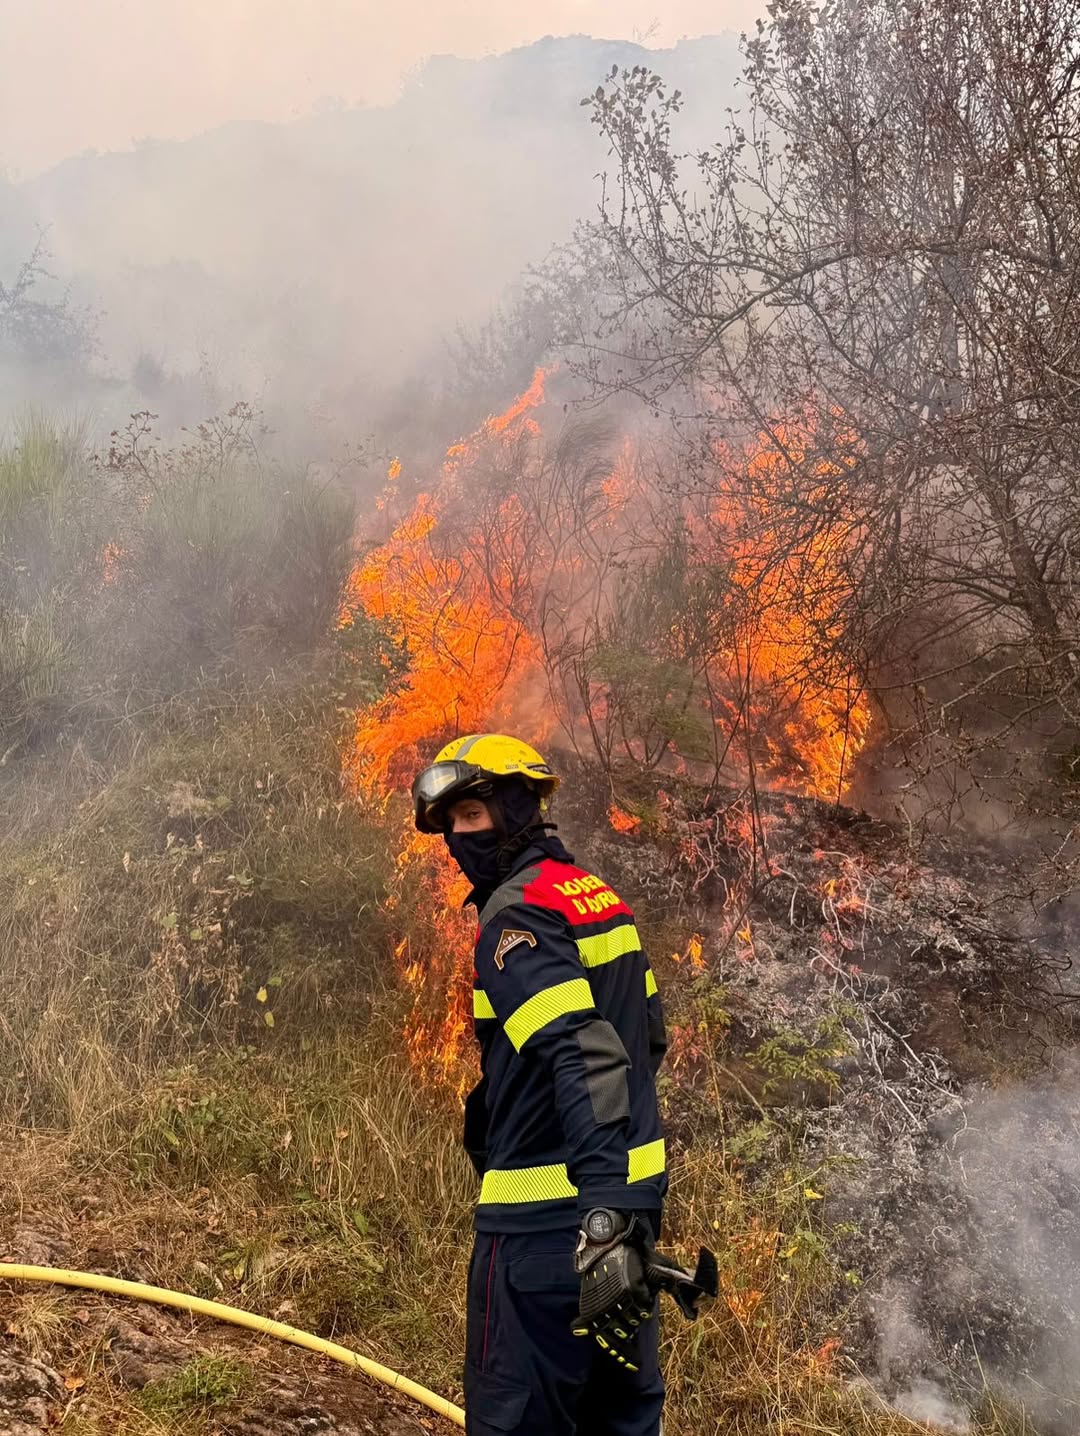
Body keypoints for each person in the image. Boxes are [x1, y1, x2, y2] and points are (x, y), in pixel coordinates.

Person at [411, 733, 715, 1436]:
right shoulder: (597, 899)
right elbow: (648, 1041)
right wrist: (622, 1216)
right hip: (622, 1237)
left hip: (548, 1239)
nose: (459, 841)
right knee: (618, 1421)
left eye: (471, 817)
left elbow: (582, 1052)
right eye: (451, 827)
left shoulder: (515, 916)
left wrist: (599, 1212)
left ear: (518, 807)